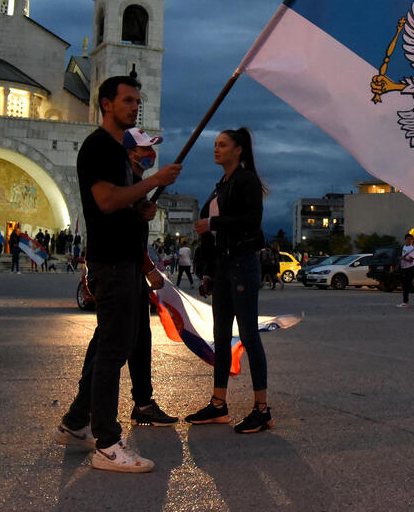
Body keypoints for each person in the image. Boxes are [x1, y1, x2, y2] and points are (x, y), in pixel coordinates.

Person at [54, 76, 181, 473]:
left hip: (124, 260)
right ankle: (107, 444)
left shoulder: (116, 151)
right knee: (113, 350)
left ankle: (76, 423)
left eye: (137, 102)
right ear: (106, 103)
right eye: (127, 101)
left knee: (109, 345)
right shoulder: (100, 147)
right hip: (112, 263)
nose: (134, 107)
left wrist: (142, 207)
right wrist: (153, 181)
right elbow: (106, 201)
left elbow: (120, 203)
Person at [187, 128, 273, 434]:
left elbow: (252, 220)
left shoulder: (245, 180)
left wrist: (213, 222)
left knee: (249, 335)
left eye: (222, 145)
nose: (216, 149)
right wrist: (209, 272)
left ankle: (262, 409)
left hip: (242, 264)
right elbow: (212, 238)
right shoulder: (220, 184)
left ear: (238, 149)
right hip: (223, 267)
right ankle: (218, 405)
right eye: (214, 145)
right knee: (220, 336)